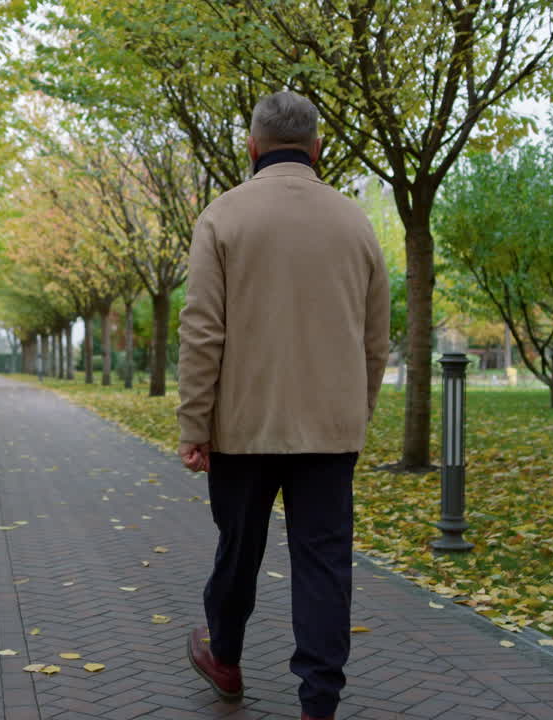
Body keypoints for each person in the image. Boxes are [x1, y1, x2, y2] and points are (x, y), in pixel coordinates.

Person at [177, 90, 391, 720]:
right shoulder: (356, 222)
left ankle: (226, 656)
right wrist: (358, 407)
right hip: (330, 428)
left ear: (252, 145)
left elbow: (202, 331)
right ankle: (318, 701)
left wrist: (195, 423)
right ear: (317, 147)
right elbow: (374, 338)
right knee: (325, 562)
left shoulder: (223, 217)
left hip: (243, 426)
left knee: (238, 547)